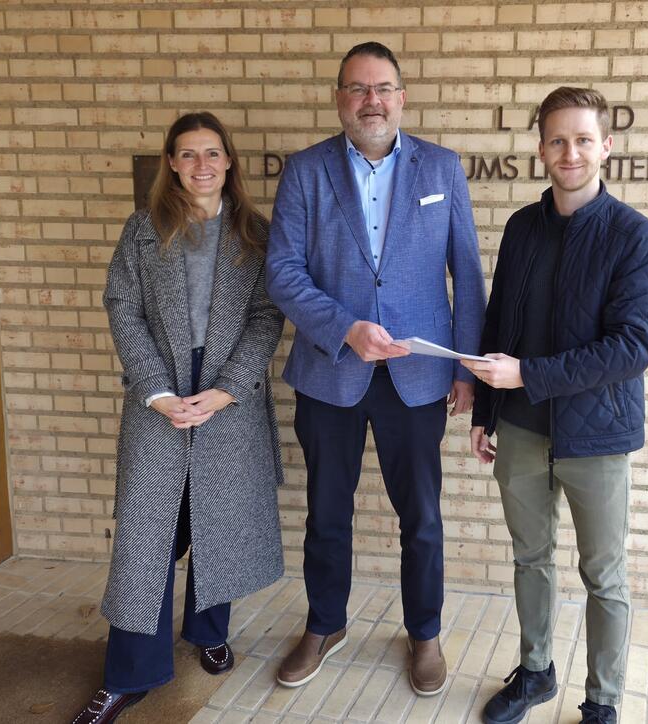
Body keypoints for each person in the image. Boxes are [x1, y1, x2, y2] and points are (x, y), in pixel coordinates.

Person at [266, 42, 485, 696]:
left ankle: (424, 633)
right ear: (339, 100)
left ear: (402, 97)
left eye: (383, 88)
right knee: (326, 512)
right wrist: (344, 329)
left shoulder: (441, 168)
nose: (371, 101)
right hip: (331, 371)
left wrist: (466, 369)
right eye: (358, 89)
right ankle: (325, 624)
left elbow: (467, 277)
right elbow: (282, 272)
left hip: (417, 378)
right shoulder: (305, 172)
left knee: (420, 516)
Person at [461, 87, 648, 724]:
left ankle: (602, 700)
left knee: (604, 576)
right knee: (530, 558)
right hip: (520, 429)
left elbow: (633, 346)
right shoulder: (523, 226)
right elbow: (501, 319)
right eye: (557, 140)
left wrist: (527, 373)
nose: (569, 152)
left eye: (583, 139)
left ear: (606, 146)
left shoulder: (635, 237)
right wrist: (484, 414)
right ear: (540, 148)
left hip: (597, 436)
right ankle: (535, 671)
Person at [71, 112, 286, 724]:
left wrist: (226, 389)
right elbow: (122, 306)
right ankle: (128, 674)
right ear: (170, 162)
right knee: (148, 535)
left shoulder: (255, 232)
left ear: (228, 162)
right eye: (187, 154)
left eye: (212, 154)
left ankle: (208, 631)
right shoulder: (143, 230)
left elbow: (268, 317)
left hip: (227, 397)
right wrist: (158, 391)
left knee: (215, 518)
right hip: (156, 395)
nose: (201, 166)